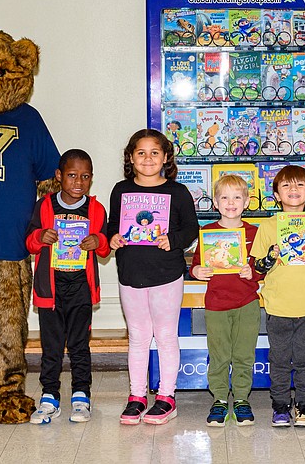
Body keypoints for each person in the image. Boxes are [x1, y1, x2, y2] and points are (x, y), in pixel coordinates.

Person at [108, 129, 199, 425]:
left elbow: (190, 229)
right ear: (131, 158)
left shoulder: (178, 192)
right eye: (141, 153)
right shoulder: (121, 190)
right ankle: (137, 396)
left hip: (166, 275)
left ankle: (166, 397)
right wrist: (113, 238)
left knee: (165, 336)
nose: (148, 158)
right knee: (137, 337)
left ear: (166, 157)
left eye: (155, 153)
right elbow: (112, 225)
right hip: (130, 275)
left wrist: (173, 239)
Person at [25, 149, 111, 424]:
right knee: (51, 346)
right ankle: (49, 396)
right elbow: (29, 242)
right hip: (50, 289)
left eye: (85, 177)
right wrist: (41, 236)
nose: (78, 182)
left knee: (78, 345)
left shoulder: (96, 209)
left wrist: (98, 241)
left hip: (81, 288)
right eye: (72, 175)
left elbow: (105, 247)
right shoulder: (44, 206)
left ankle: (81, 396)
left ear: (91, 179)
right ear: (59, 176)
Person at [252, 165, 305, 428]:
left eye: (300, 185)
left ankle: (304, 406)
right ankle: (279, 406)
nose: (293, 190)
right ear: (276, 194)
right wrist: (271, 256)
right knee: (278, 359)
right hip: (278, 305)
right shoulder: (268, 226)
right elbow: (258, 268)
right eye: (286, 185)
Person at [190, 175, 264, 427]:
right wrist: (196, 271)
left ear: (246, 202)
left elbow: (263, 265)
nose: (230, 202)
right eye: (224, 197)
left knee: (244, 355)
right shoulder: (207, 232)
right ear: (215, 202)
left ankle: (242, 399)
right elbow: (197, 263)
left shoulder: (255, 232)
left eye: (236, 197)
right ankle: (220, 399)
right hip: (216, 305)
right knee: (219, 355)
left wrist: (253, 272)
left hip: (247, 304)